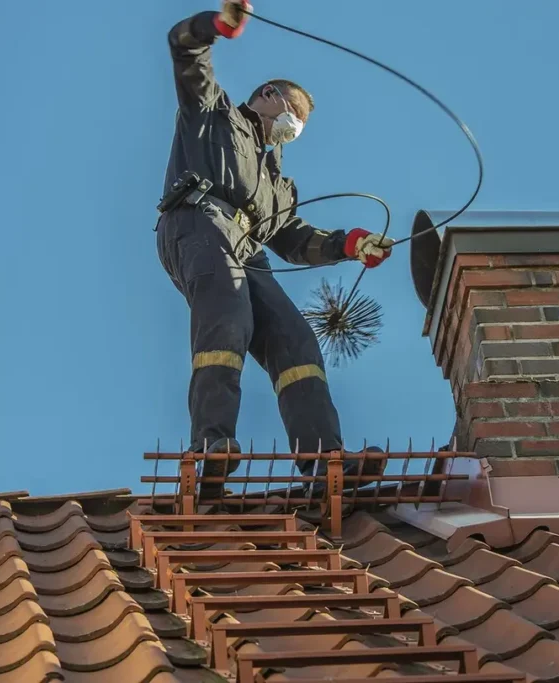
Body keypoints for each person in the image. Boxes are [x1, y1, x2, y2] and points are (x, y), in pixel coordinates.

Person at [155, 0, 394, 480]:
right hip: (198, 222)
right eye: (293, 110)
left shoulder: (277, 185)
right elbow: (184, 49)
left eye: (302, 121)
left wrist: (350, 244)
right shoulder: (213, 114)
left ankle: (323, 457)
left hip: (247, 247)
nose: (296, 124)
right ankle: (212, 442)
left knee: (295, 339)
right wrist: (215, 26)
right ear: (267, 95)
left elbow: (293, 238)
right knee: (227, 312)